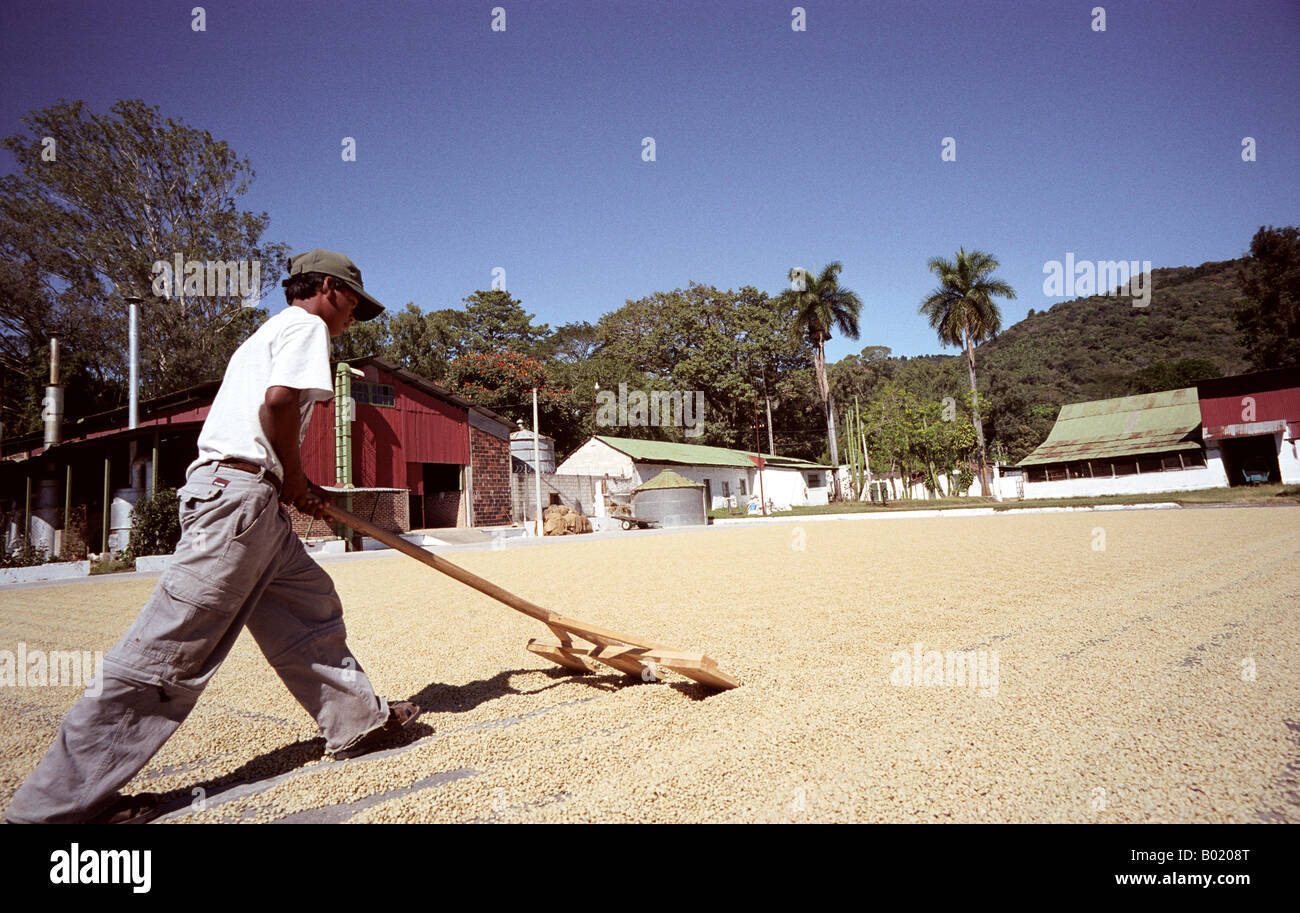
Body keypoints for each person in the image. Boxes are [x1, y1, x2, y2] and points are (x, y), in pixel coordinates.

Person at [5, 249, 420, 824]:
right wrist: (293, 479)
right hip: (238, 503)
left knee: (309, 607)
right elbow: (277, 406)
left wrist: (296, 484)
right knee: (168, 648)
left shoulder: (266, 336)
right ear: (328, 288)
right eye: (353, 303)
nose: (353, 317)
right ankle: (51, 809)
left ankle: (356, 721)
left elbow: (261, 426)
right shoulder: (306, 327)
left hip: (255, 500)